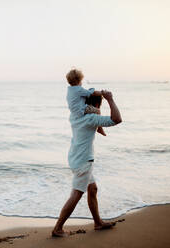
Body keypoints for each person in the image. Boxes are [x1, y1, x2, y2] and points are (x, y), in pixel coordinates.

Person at [52, 89, 122, 237]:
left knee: (93, 189)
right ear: (97, 104)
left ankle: (98, 223)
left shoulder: (75, 115)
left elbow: (93, 114)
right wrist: (110, 99)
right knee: (76, 194)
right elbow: (117, 119)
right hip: (83, 161)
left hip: (75, 158)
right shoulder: (91, 119)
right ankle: (58, 228)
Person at [66, 68, 106, 136]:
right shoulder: (79, 89)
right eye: (81, 81)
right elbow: (89, 93)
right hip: (81, 110)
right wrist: (92, 89)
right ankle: (100, 128)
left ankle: (99, 128)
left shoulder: (69, 90)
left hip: (73, 111)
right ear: (78, 81)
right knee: (97, 111)